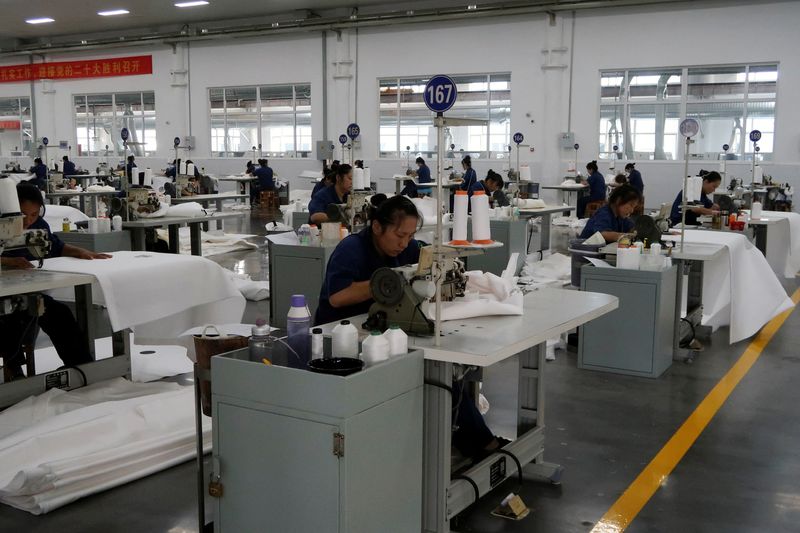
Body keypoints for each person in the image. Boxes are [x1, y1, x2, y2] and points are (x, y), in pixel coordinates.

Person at [315, 195, 507, 460]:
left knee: (447, 368)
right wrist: (385, 282)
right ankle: (472, 440)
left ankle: (462, 437)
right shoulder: (351, 249)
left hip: (386, 327)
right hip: (343, 335)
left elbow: (428, 258)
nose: (404, 243)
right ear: (377, 227)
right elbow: (337, 296)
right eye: (399, 235)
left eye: (409, 236)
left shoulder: (406, 247)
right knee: (439, 374)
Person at [0, 184, 112, 379]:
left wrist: (80, 252)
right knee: (11, 317)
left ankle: (81, 367)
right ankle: (14, 371)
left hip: (23, 291)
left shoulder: (39, 226)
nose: (28, 221)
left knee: (59, 313)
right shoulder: (4, 226)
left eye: (34, 214)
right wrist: (9, 261)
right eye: (23, 215)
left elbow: (55, 246)